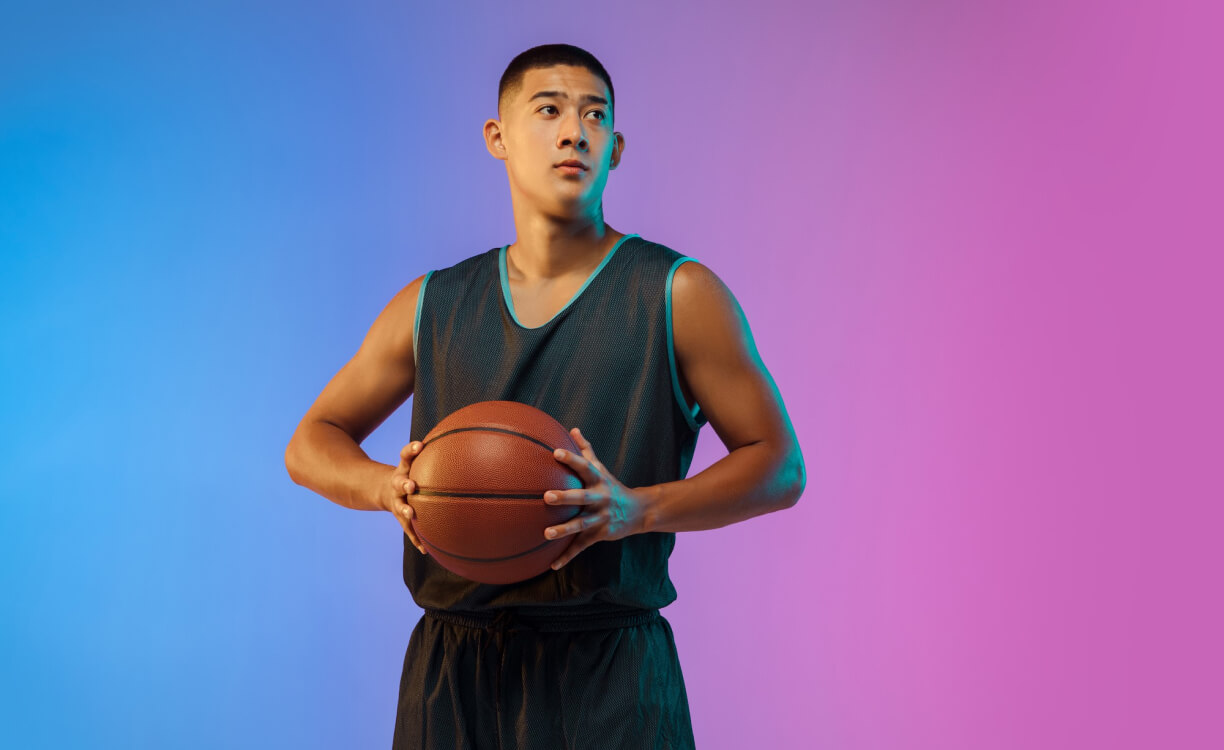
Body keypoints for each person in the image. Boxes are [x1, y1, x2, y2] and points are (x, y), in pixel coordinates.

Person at [285, 43, 805, 750]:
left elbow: (779, 465)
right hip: (451, 671)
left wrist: (637, 508)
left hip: (609, 670)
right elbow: (311, 441)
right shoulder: (433, 303)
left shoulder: (678, 294)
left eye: (595, 116)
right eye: (550, 110)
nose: (574, 133)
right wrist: (388, 488)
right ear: (497, 137)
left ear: (615, 149)